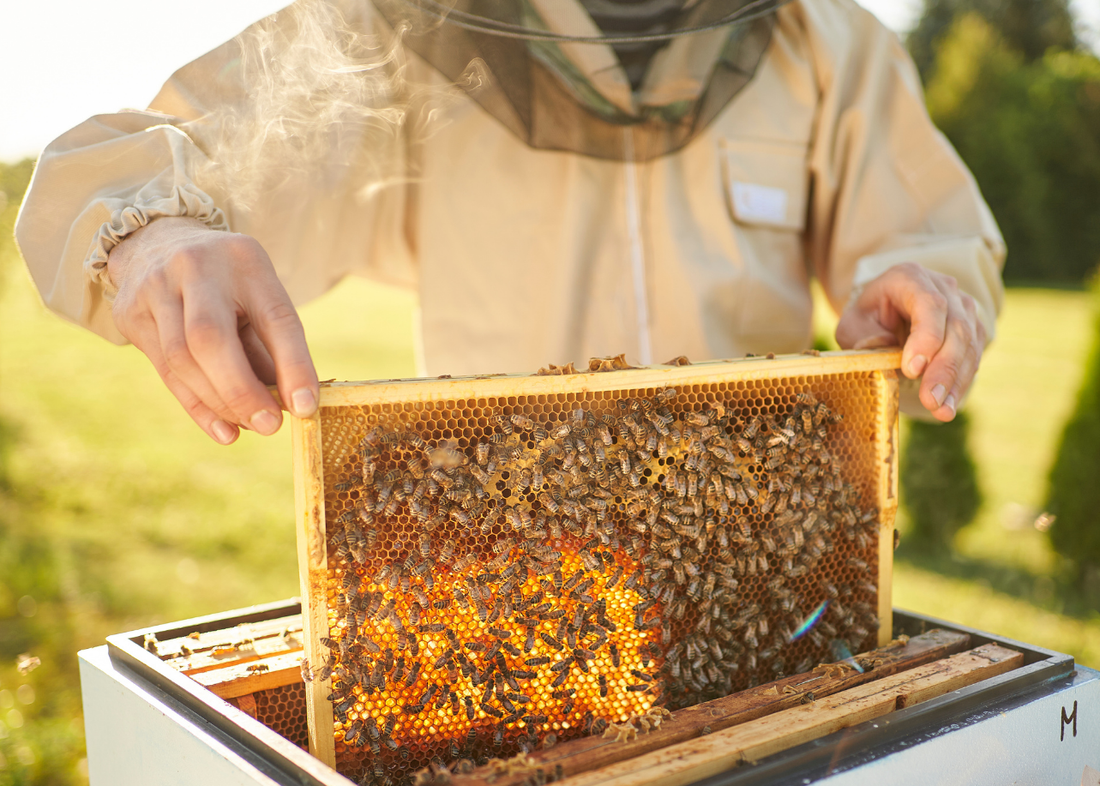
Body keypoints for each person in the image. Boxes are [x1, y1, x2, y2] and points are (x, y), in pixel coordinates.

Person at [15, 0, 1004, 447]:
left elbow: (927, 235)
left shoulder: (824, 38)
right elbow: (132, 164)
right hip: (506, 585)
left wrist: (917, 298)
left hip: (765, 602)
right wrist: (154, 237)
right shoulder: (396, 33)